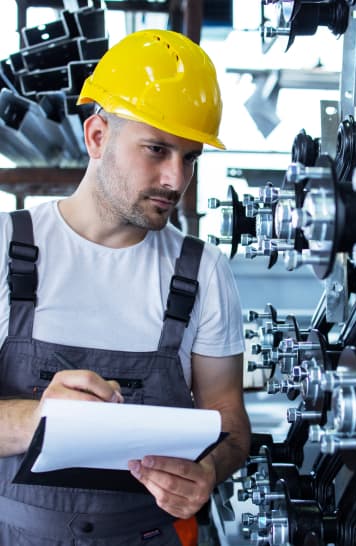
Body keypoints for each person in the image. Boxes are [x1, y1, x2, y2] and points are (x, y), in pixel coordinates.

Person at [0, 29, 251, 545]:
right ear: (97, 136)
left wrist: (210, 471)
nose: (174, 179)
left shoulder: (202, 272)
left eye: (190, 157)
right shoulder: (6, 248)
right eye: (156, 149)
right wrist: (39, 417)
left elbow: (229, 421)